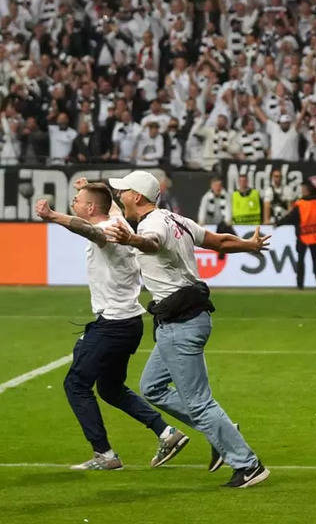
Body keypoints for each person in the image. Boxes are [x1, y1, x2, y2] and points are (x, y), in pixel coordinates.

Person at [103, 170, 272, 488]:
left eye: (122, 191)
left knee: (199, 402)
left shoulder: (151, 227)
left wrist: (132, 240)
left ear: (137, 197)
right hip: (183, 320)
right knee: (151, 387)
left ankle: (248, 465)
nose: (119, 195)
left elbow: (149, 244)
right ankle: (222, 429)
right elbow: (218, 241)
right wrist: (248, 244)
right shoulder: (174, 219)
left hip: (181, 324)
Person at [35, 184, 188, 471]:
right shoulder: (118, 221)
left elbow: (88, 230)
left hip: (113, 325)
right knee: (110, 388)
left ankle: (104, 455)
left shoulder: (105, 230)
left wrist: (52, 215)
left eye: (77, 200)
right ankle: (167, 433)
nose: (74, 202)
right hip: (129, 323)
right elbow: (112, 207)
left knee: (75, 384)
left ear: (91, 208)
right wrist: (101, 187)